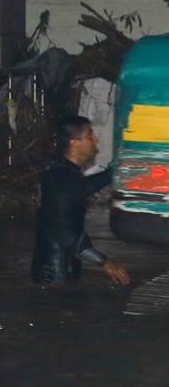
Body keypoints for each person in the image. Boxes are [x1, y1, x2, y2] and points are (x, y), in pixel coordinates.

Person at [32, 115, 131, 286]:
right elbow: (67, 236)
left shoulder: (63, 172)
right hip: (55, 273)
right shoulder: (61, 179)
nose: (96, 139)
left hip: (62, 266)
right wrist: (104, 262)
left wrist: (113, 171)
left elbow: (81, 189)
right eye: (90, 135)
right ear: (74, 142)